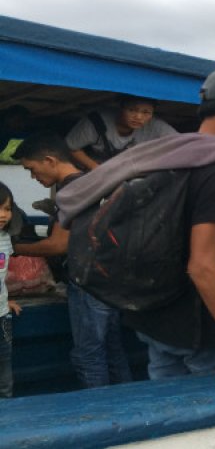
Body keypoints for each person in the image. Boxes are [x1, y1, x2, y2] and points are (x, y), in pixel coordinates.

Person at [56, 66, 215, 385]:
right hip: (196, 326)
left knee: (163, 404)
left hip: (155, 316)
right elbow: (202, 265)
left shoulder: (170, 156)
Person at [12, 132, 133, 388]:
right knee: (113, 350)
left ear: (49, 160)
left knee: (89, 354)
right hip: (110, 279)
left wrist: (12, 248)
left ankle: (99, 414)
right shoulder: (94, 182)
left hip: (87, 281)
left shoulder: (71, 190)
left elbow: (59, 244)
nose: (33, 177)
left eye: (32, 169)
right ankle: (126, 405)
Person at [65, 95, 176, 171]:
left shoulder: (156, 126)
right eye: (132, 110)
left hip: (129, 173)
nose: (138, 117)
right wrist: (96, 169)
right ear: (121, 108)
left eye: (146, 112)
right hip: (94, 171)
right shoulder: (96, 121)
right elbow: (71, 147)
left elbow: (182, 143)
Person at [0, 182, 22, 398]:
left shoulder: (5, 240)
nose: (3, 214)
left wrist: (6, 300)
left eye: (7, 209)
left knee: (4, 366)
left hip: (2, 316)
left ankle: (7, 409)